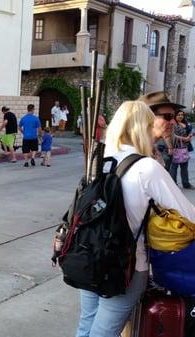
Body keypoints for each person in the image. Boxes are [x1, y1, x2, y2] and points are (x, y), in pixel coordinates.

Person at [75, 100, 195, 337]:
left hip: (88, 255)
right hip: (125, 266)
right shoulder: (146, 167)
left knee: (86, 325)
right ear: (142, 127)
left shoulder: (100, 160)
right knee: (103, 333)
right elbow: (188, 214)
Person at [139, 91, 185, 171]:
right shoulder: (137, 156)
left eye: (173, 116)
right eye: (168, 116)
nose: (173, 122)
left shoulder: (152, 151)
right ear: (147, 118)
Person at [170, 110, 194, 189]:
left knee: (184, 167)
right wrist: (185, 139)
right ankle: (173, 184)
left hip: (184, 148)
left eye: (182, 115)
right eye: (178, 115)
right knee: (174, 167)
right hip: (176, 148)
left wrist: (190, 135)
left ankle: (186, 184)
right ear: (175, 115)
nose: (180, 116)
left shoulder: (186, 123)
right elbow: (173, 135)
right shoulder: (173, 124)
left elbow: (189, 133)